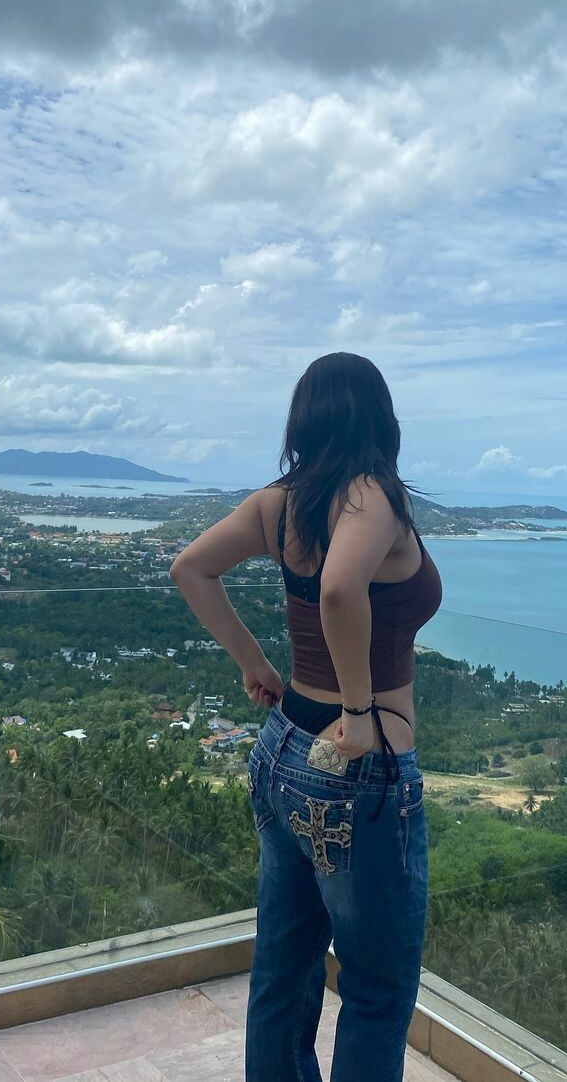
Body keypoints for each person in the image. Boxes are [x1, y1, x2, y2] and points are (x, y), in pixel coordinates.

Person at [170, 351, 443, 1082]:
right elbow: (340, 591)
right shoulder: (372, 493)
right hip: (357, 771)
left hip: (283, 749)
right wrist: (358, 713)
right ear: (381, 419)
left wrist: (254, 664)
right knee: (377, 990)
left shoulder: (279, 502)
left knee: (283, 972)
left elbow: (190, 567)